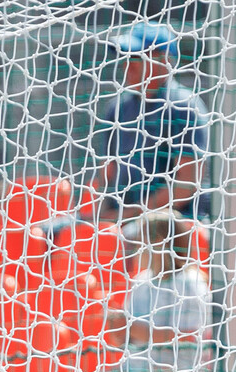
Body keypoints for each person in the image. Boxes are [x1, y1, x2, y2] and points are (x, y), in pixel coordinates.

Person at [47, 210, 210, 372]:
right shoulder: (142, 282)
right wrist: (116, 327)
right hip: (133, 367)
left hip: (178, 369)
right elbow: (125, 339)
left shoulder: (192, 283)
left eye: (145, 238)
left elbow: (188, 338)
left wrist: (136, 329)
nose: (138, 246)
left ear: (160, 241)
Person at [94, 21, 209, 223]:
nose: (126, 64)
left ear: (163, 60)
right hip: (119, 219)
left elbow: (186, 186)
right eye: (126, 56)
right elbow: (106, 174)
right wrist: (97, 216)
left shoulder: (183, 107)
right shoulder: (118, 108)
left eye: (136, 56)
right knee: (51, 233)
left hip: (170, 224)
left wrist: (124, 217)